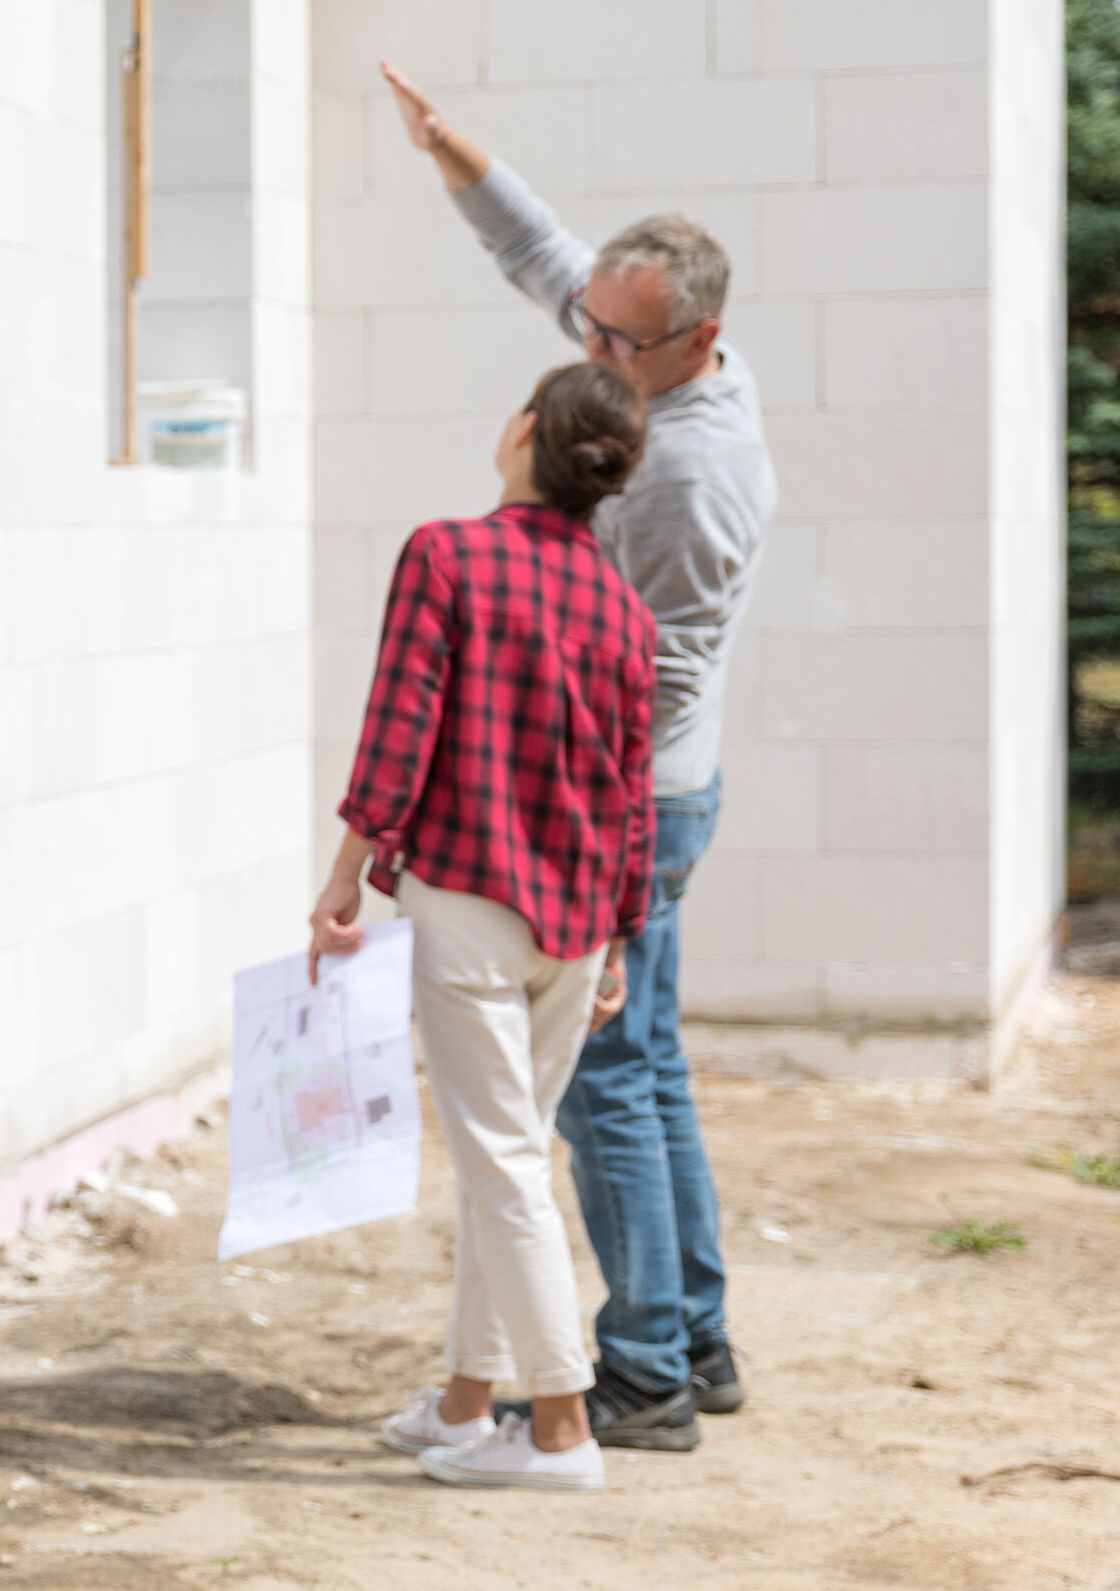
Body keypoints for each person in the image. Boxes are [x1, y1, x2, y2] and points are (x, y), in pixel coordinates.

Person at [376, 61, 778, 1451]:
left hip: (638, 798)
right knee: (649, 1063)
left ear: (694, 339)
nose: (586, 347)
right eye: (591, 325)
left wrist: (565, 820)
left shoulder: (683, 475)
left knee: (603, 1081)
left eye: (616, 338)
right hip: (633, 789)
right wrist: (453, 151)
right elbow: (545, 256)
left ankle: (646, 1372)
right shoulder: (635, 356)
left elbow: (643, 685)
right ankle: (698, 1335)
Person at [310, 362, 656, 1494]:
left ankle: (557, 1425)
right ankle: (466, 1401)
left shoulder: (445, 553)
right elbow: (630, 786)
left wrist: (345, 876)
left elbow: (398, 726)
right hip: (576, 921)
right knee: (501, 1157)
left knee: (501, 1160)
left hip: (468, 900)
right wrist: (621, 935)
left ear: (522, 434)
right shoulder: (622, 604)